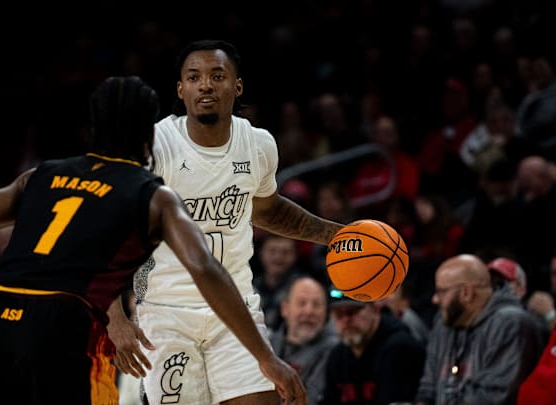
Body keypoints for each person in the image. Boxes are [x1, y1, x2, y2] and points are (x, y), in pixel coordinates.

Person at [0, 76, 306, 405]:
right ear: (149, 133)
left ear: (92, 127)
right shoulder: (153, 195)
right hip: (61, 325)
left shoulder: (41, 176)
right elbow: (206, 271)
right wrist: (265, 358)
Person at [107, 39, 343, 404]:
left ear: (237, 86)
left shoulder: (259, 144)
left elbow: (267, 210)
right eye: (194, 76)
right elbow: (106, 230)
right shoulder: (154, 146)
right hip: (166, 314)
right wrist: (116, 318)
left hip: (236, 311)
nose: (206, 84)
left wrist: (334, 234)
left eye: (217, 76)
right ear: (181, 89)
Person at [415, 254, 543, 405]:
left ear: (466, 293)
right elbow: (428, 389)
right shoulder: (444, 321)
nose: (435, 299)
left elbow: (493, 398)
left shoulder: (510, 324)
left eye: (441, 292)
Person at [321, 289, 426, 404]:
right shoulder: (337, 356)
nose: (346, 320)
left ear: (375, 309)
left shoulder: (401, 348)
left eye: (353, 311)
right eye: (338, 314)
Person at [269, 276, 338, 405]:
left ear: (326, 313)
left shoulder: (333, 350)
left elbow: (310, 400)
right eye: (301, 303)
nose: (309, 311)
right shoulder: (266, 344)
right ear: (285, 309)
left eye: (317, 305)